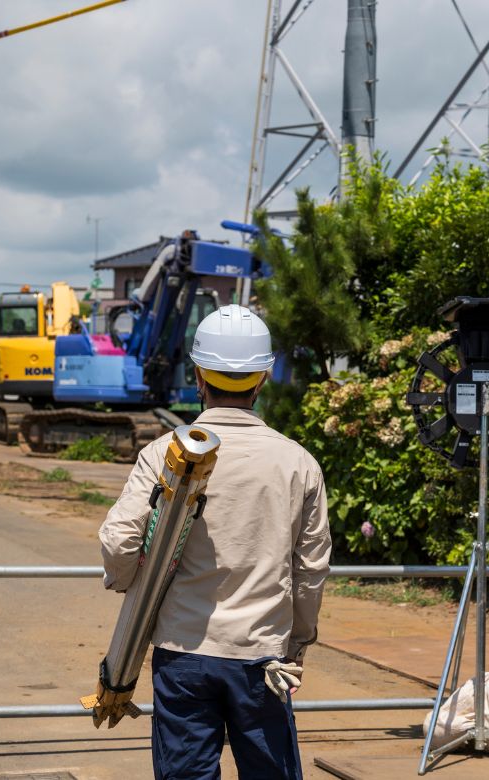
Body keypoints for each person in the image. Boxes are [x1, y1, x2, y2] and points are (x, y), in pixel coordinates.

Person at [100, 304, 331, 780]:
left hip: (183, 654)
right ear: (263, 377)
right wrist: (298, 643)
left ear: (198, 373)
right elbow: (311, 571)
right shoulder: (298, 462)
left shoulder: (164, 453)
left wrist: (130, 585)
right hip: (263, 658)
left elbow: (121, 542)